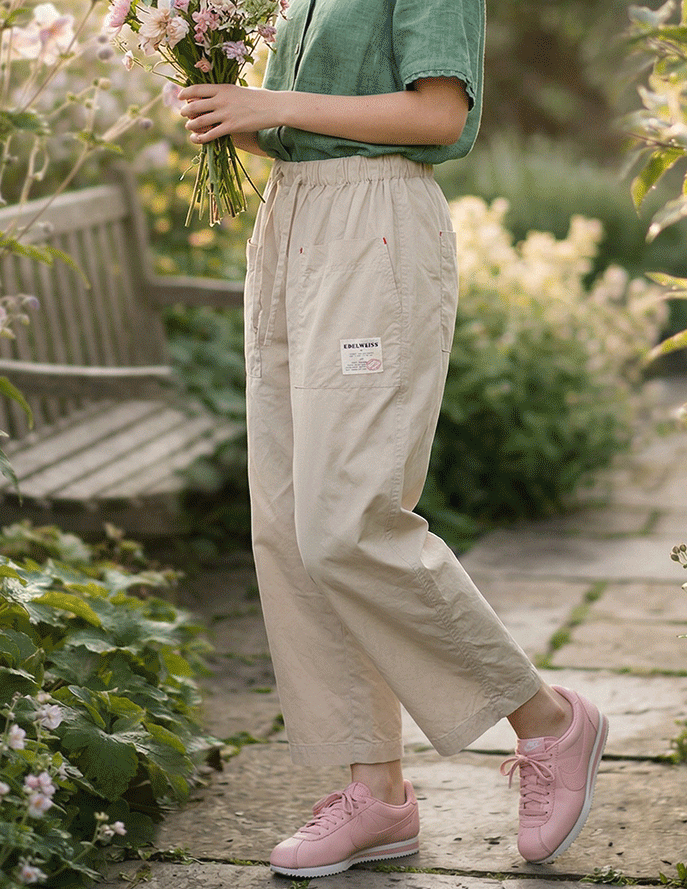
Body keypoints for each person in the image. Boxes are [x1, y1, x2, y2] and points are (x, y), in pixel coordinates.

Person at [179, 0, 609, 878]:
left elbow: (438, 116)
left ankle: (547, 720)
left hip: (374, 229)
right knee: (289, 527)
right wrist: (228, 109)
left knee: (347, 522)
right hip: (291, 222)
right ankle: (375, 793)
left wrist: (272, 103)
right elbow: (304, 128)